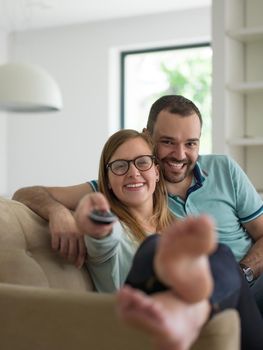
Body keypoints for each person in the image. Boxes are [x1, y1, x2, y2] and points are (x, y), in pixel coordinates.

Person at [12, 95, 263, 314]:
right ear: (148, 137)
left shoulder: (224, 169)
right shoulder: (129, 184)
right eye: (167, 142)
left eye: (191, 143)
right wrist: (58, 212)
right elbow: (29, 194)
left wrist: (244, 274)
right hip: (206, 300)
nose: (179, 154)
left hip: (251, 280)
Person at [72, 129, 263, 350]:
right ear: (107, 180)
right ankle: (181, 311)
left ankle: (190, 313)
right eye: (120, 166)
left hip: (220, 329)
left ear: (156, 171)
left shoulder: (175, 226)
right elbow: (103, 240)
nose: (133, 173)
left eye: (142, 162)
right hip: (141, 331)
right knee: (153, 246)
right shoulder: (116, 229)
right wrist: (96, 221)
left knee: (220, 253)